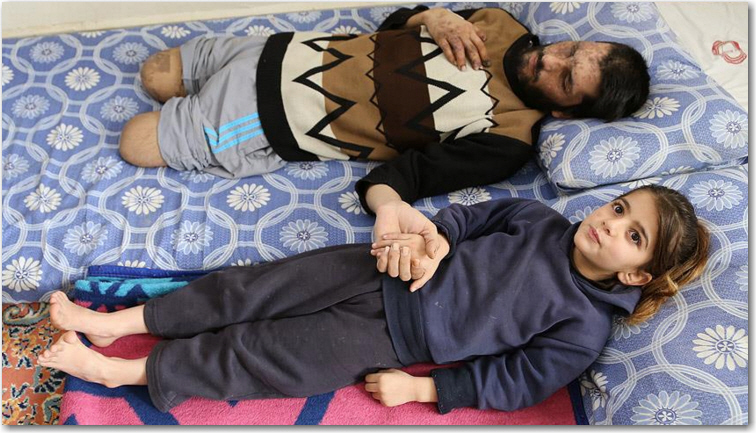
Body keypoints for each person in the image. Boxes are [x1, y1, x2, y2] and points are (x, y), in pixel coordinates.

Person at [39, 185, 708, 414]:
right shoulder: (536, 217)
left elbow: (514, 380)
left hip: (391, 341)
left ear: (636, 276)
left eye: (633, 235)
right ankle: (121, 321)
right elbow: (466, 220)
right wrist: (436, 238)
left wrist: (422, 390)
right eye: (620, 207)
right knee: (249, 288)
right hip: (377, 270)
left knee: (265, 356)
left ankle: (126, 371)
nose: (610, 223)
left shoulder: (584, 326)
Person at [119, 6, 650, 255]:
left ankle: (201, 124)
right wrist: (432, 16)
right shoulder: (501, 23)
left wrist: (392, 210)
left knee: (135, 141)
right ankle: (194, 107)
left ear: (566, 113)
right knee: (153, 74)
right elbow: (392, 27)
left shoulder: (508, 139)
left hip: (268, 115)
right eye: (570, 51)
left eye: (565, 79)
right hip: (281, 50)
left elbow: (410, 174)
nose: (552, 60)